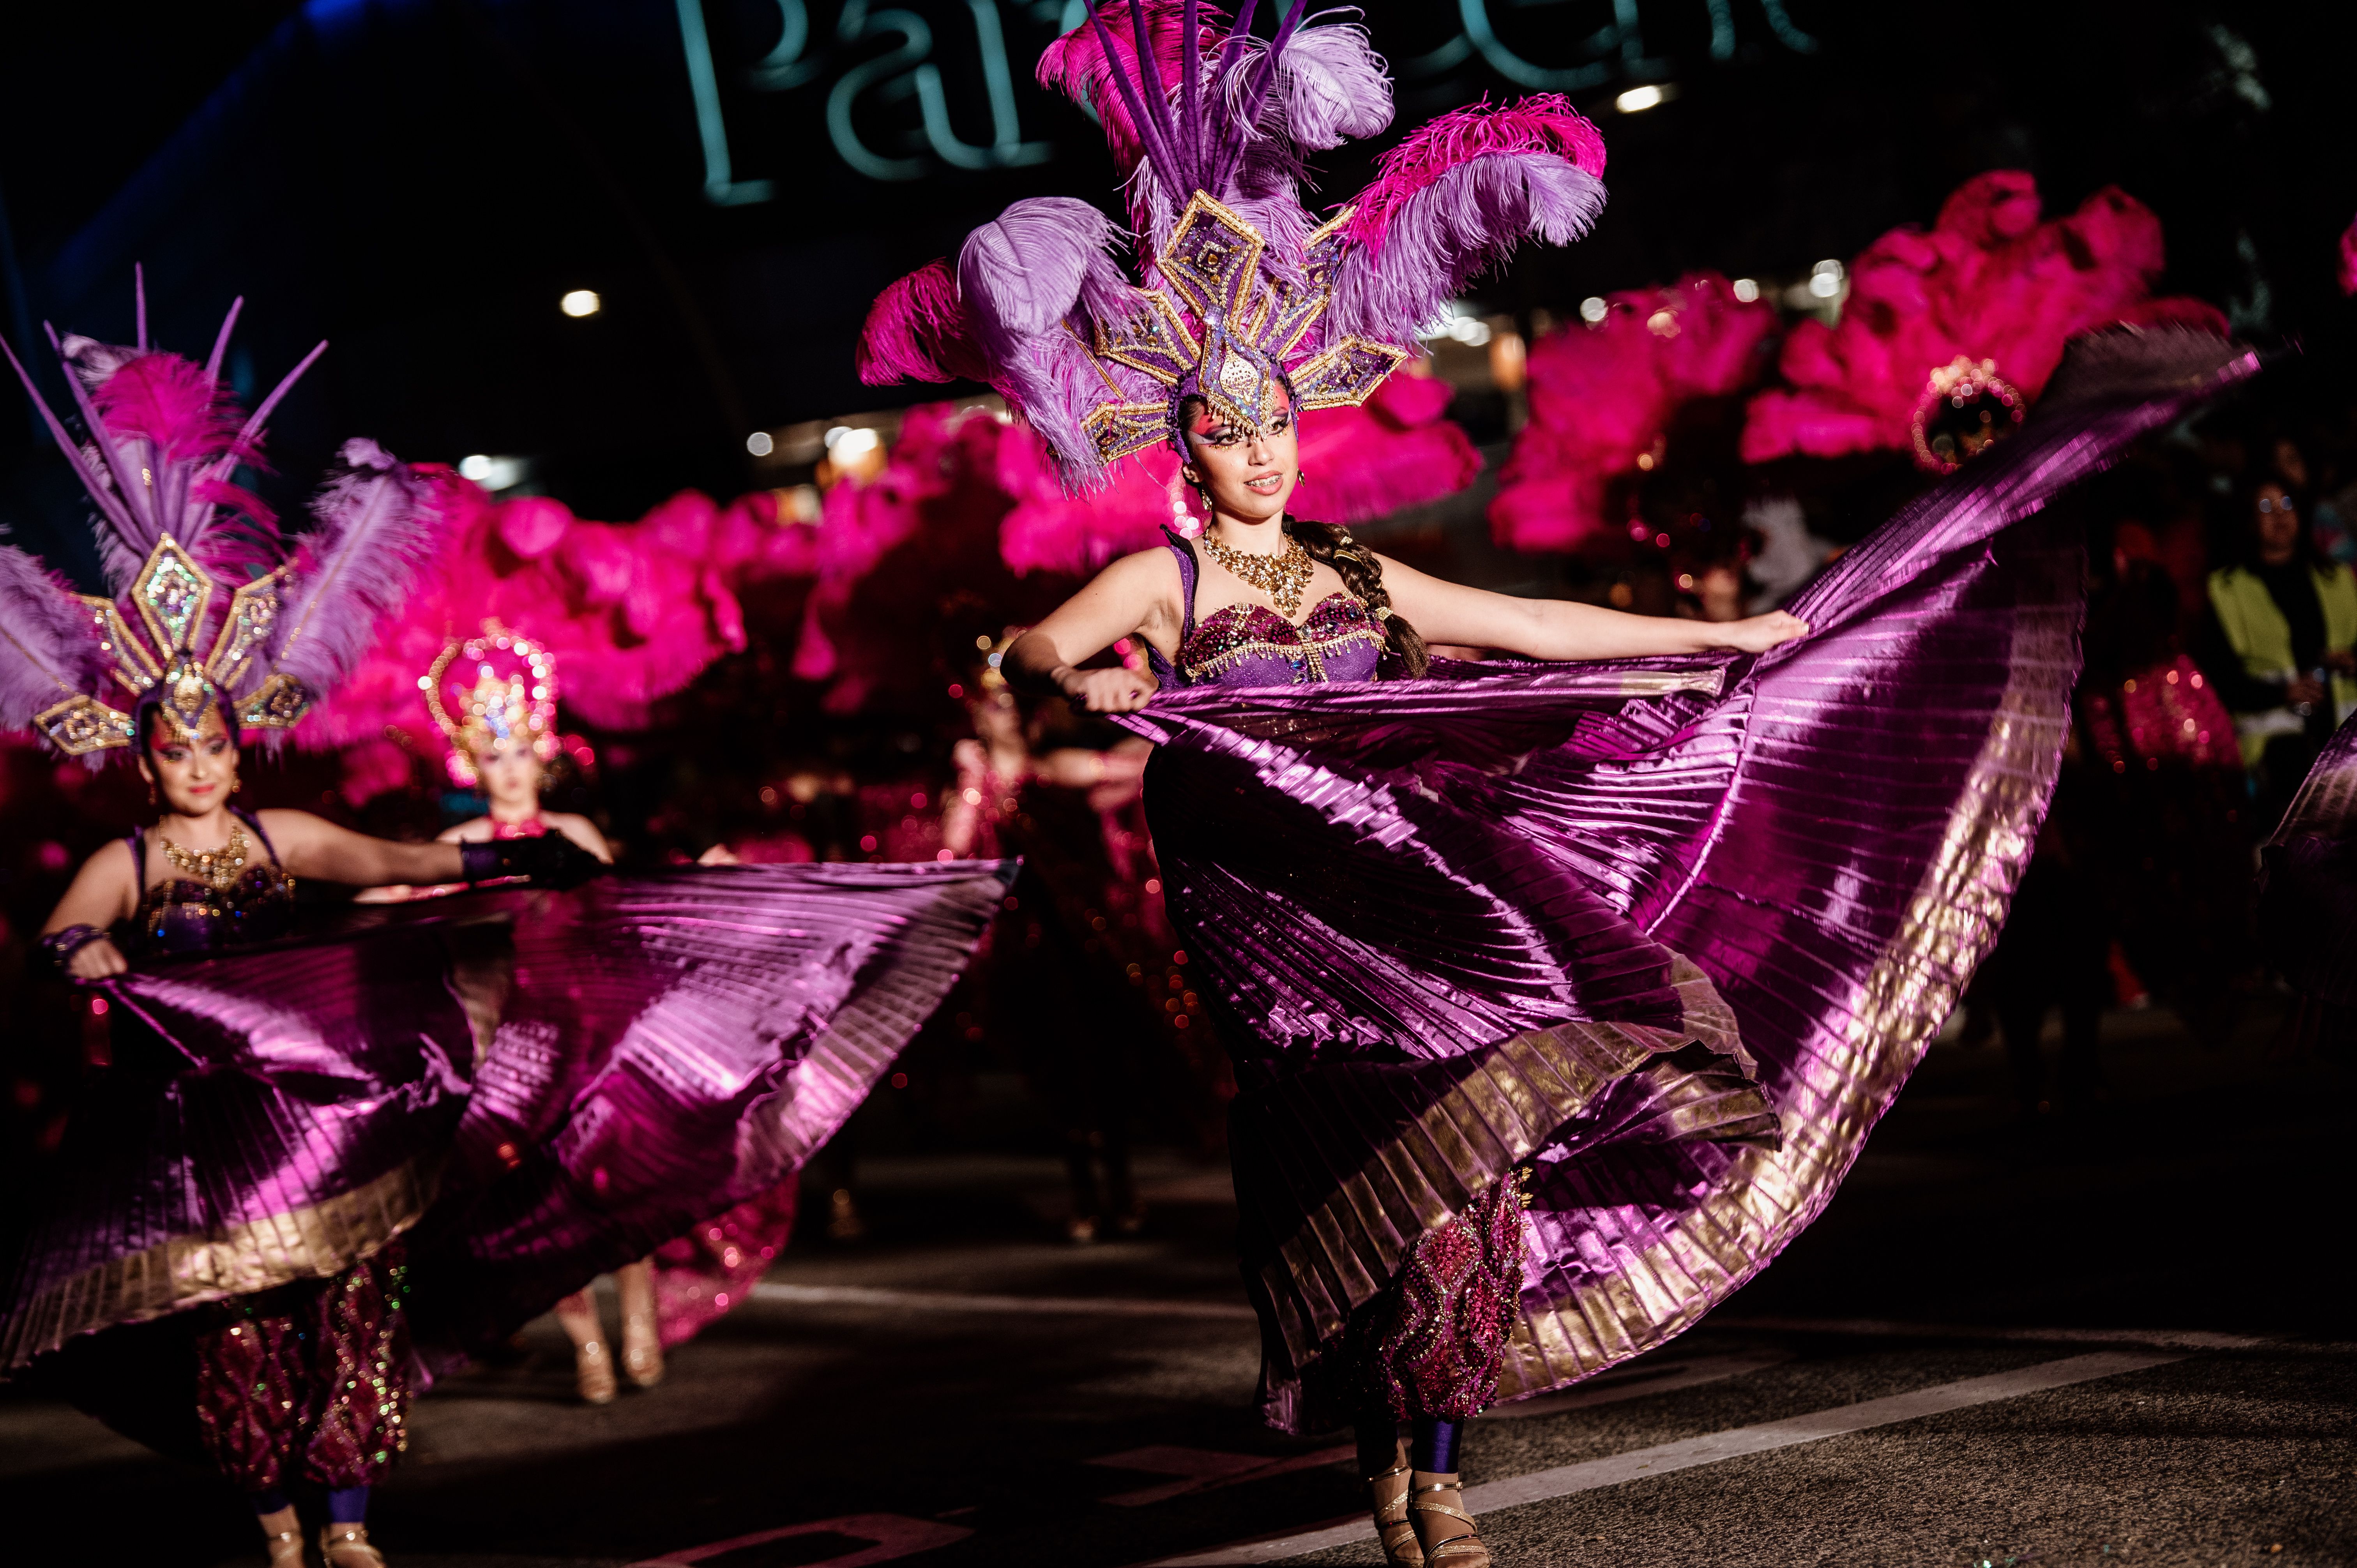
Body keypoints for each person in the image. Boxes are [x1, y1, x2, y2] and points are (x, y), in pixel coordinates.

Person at [860, 7, 2255, 1564]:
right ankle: (1391, 1440)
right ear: (1187, 443)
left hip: (1419, 890)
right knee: (1370, 1175)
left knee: (1481, 1164)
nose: (1262, 451)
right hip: (1274, 918)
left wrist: (1719, 630)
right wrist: (1093, 678)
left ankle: (1433, 1472)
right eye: (1229, 429)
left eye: (1274, 426)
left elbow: (1533, 625)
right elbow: (1037, 648)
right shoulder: (1163, 577)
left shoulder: (1354, 568)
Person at [0, 292, 586, 1568]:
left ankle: (348, 1516)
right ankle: (274, 1521)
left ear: (240, 739)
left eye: (216, 738)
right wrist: (84, 953)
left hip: (322, 1117)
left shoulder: (288, 839)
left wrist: (520, 847)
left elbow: (408, 859)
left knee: (351, 1307)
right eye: (177, 741)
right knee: (241, 1327)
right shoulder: (128, 856)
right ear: (142, 752)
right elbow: (62, 934)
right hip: (196, 1136)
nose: (200, 757)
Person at [2200, 477, 2357, 826]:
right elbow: (2220, 679)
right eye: (2266, 508)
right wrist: (2283, 692)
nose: (2280, 516)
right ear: (2250, 520)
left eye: (2287, 505)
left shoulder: (2337, 578)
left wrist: (2350, 659)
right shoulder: (2227, 590)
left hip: (2345, 742)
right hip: (2278, 760)